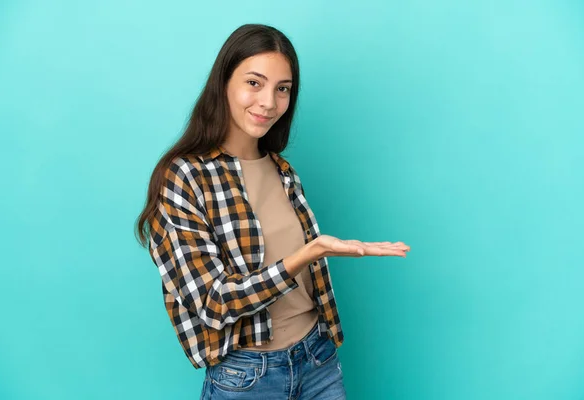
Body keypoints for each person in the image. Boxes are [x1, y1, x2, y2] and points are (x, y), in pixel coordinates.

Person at [135, 23, 410, 399]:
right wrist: (307, 254)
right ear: (224, 83)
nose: (269, 102)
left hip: (318, 360)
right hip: (247, 378)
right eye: (254, 83)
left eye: (282, 89)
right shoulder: (184, 177)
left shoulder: (282, 171)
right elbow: (213, 302)